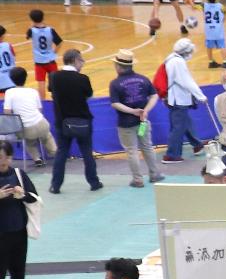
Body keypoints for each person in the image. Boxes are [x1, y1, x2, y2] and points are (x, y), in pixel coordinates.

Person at [107, 50, 165, 187]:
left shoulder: (115, 84)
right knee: (147, 146)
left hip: (126, 124)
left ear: (119, 66)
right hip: (142, 121)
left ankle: (138, 179)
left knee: (132, 150)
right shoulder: (143, 79)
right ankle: (154, 174)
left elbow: (115, 103)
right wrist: (145, 111)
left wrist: (132, 111)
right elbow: (154, 96)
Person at [46, 49, 99, 193]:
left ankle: (55, 185)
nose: (82, 63)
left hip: (62, 121)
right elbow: (88, 95)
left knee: (61, 153)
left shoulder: (54, 76)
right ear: (75, 60)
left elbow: (51, 91)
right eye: (81, 60)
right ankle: (94, 182)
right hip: (82, 120)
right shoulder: (83, 78)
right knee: (87, 152)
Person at [0, 146, 35, 279]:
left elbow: (33, 197)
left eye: (2, 157)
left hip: (19, 231)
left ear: (10, 158)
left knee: (18, 271)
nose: (0, 161)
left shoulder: (19, 175)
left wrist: (22, 195)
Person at [161, 38, 206, 161]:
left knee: (185, 121)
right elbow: (187, 81)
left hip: (174, 98)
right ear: (186, 52)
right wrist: (200, 96)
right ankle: (171, 155)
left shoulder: (171, 58)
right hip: (178, 99)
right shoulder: (178, 62)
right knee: (178, 127)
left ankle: (197, 145)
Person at [2, 68, 52, 168]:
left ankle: (37, 158)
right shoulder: (33, 91)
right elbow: (40, 110)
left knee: (26, 138)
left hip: (26, 130)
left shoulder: (9, 92)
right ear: (26, 77)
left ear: (11, 79)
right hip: (42, 124)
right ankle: (55, 152)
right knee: (46, 136)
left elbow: (7, 112)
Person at [200, 0, 226, 67]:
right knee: (222, 46)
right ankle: (225, 62)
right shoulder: (221, 6)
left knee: (209, 46)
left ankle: (211, 62)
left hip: (209, 31)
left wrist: (189, 0)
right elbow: (225, 15)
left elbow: (193, 7)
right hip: (218, 30)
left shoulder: (203, 5)